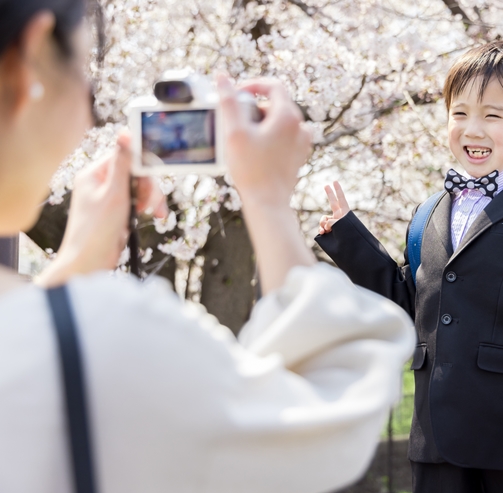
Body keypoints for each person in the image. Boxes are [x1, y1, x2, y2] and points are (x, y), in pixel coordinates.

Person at [0, 1, 415, 492]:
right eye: (86, 83)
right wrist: (267, 200)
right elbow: (330, 417)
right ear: (29, 62)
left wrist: (72, 269)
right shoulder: (115, 334)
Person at [316, 41, 503, 492]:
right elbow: (411, 306)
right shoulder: (428, 213)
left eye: (493, 115)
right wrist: (348, 238)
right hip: (433, 445)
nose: (473, 129)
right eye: (460, 113)